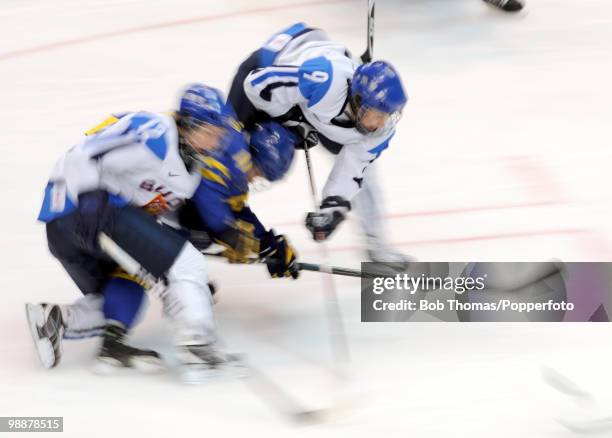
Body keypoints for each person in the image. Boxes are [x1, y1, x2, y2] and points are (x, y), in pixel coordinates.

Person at [27, 84, 299, 382]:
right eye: (211, 131)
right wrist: (90, 195)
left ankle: (56, 321)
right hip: (78, 212)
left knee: (126, 288)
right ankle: (198, 348)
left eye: (221, 133)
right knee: (188, 263)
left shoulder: (191, 171)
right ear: (189, 123)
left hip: (76, 232)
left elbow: (166, 216)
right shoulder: (156, 132)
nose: (217, 139)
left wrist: (190, 275)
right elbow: (84, 153)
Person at [227, 22, 409, 265]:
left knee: (368, 173)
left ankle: (376, 246)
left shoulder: (378, 128)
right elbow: (257, 84)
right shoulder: (326, 79)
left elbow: (353, 171)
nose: (381, 123)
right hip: (272, 64)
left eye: (387, 115)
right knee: (237, 147)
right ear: (358, 101)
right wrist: (285, 118)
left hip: (315, 106)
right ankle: (210, 211)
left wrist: (332, 211)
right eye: (377, 114)